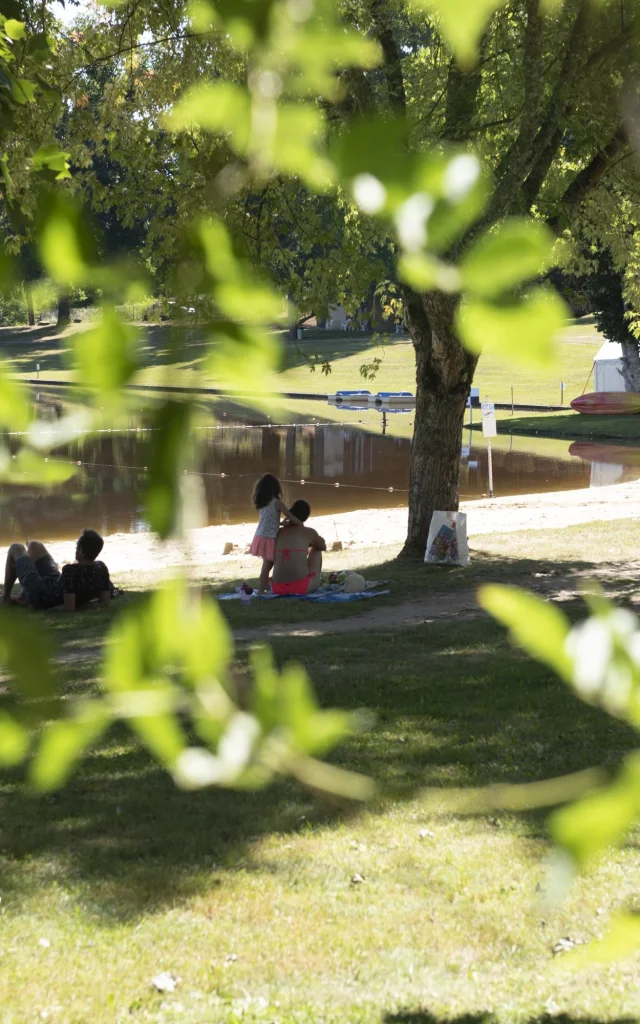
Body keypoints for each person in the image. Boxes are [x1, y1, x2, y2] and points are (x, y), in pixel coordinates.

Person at [1, 528, 112, 612]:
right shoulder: (101, 567)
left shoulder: (71, 571)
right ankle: (22, 593)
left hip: (41, 594)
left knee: (16, 548)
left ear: (81, 551)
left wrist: (48, 610)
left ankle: (6, 598)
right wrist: (84, 604)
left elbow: (69, 608)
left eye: (77, 546)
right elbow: (104, 602)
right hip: (54, 584)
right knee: (35, 545)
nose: (75, 548)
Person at [250, 474, 304, 594]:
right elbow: (290, 516)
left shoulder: (262, 503)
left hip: (260, 535)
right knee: (267, 566)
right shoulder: (277, 503)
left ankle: (265, 587)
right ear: (276, 488)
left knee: (267, 565)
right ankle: (261, 590)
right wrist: (299, 523)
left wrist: (280, 524)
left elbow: (269, 519)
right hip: (269, 538)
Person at [271, 499, 326, 596]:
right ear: (306, 517)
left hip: (277, 588)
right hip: (300, 588)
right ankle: (310, 578)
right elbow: (323, 546)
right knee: (317, 548)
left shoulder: (279, 532)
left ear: (290, 512)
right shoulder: (309, 532)